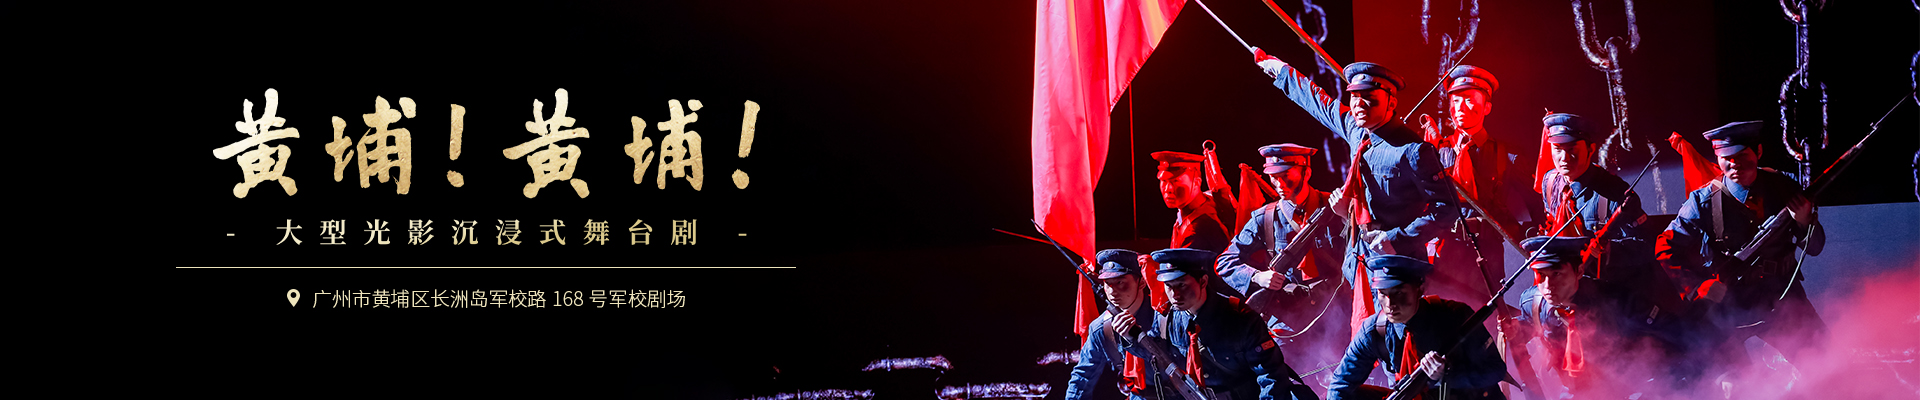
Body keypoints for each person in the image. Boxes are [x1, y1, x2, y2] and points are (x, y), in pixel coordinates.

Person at [1253, 52, 1460, 295]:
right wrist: (1281, 71)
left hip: (1398, 269)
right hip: (1359, 260)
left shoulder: (1413, 151)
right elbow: (1319, 103)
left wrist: (1397, 239)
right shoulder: (1358, 132)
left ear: (1391, 103)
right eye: (1354, 97)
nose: (1359, 105)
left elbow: (1447, 207)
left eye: (1369, 98)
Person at [1655, 121, 1827, 385]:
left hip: (1782, 296)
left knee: (1827, 365)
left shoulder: (1784, 187)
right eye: (1726, 158)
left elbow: (1814, 248)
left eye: (1741, 156)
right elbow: (1665, 247)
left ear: (1758, 152)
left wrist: (1804, 222)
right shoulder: (1703, 200)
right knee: (1734, 384)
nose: (1734, 164)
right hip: (1730, 306)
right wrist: (1698, 286)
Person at [1214, 144, 1350, 378]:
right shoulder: (1265, 218)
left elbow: (1364, 252)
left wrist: (1347, 215)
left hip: (1335, 317)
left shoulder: (1335, 208)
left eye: (1285, 175)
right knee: (1284, 384)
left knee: (1343, 385)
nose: (1278, 183)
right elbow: (1225, 262)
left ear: (1306, 172)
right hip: (1288, 323)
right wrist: (1258, 277)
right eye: (1273, 177)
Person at [1535, 113, 1681, 311]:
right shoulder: (1550, 182)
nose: (1564, 158)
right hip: (1563, 288)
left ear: (1590, 149)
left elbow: (1647, 246)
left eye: (1572, 150)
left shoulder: (1616, 193)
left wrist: (1611, 249)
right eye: (1557, 149)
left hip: (1607, 295)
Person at [1506, 236, 1684, 398]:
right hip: (1572, 392)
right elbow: (1530, 325)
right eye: (1540, 275)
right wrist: (1515, 329)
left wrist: (1663, 384)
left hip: (1626, 389)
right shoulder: (1532, 303)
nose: (1548, 285)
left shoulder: (1615, 301)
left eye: (1557, 274)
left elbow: (1674, 332)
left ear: (1579, 271)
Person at [1327, 255, 1505, 400]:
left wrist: (1447, 375)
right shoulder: (1374, 331)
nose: (1389, 304)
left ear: (1420, 289)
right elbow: (1340, 385)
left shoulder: (1455, 316)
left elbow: (1496, 370)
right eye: (1382, 294)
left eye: (1399, 293)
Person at [1151, 248, 1319, 400]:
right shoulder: (1166, 319)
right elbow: (1154, 356)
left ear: (1203, 281)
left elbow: (1270, 375)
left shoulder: (1240, 319)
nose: (1175, 294)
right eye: (1168, 286)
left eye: (1182, 285)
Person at [1068, 249, 1166, 400]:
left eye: (1120, 282)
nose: (1112, 292)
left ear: (1141, 282)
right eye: (1107, 283)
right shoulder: (1102, 328)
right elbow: (1082, 378)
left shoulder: (1163, 317)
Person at [1154, 151, 1235, 300]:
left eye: (1175, 181)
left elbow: (1180, 278)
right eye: (1164, 181)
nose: (1168, 189)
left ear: (1197, 182)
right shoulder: (1202, 204)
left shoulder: (1198, 227)